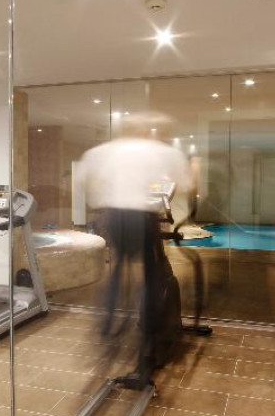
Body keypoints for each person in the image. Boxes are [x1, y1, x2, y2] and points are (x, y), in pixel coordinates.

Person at [76, 113, 193, 381]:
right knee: (151, 276)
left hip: (114, 218)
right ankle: (149, 340)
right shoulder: (160, 151)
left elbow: (84, 182)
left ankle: (106, 324)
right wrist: (194, 170)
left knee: (119, 269)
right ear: (143, 131)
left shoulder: (101, 151)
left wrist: (102, 196)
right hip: (142, 217)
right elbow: (186, 183)